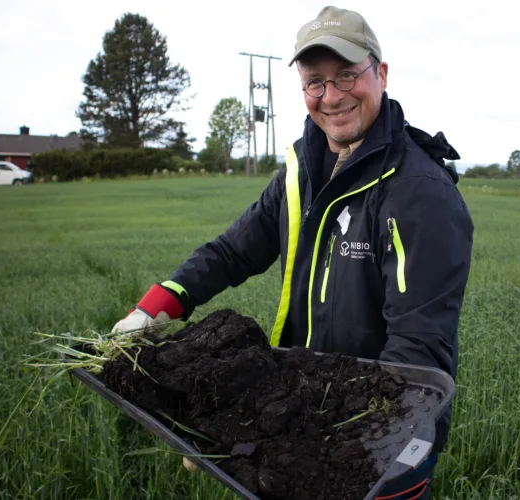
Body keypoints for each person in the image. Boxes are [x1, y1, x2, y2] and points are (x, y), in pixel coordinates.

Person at [113, 6, 473, 499]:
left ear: (381, 74)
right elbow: (232, 251)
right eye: (315, 82)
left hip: (386, 439)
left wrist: (339, 448)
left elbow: (417, 350)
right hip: (303, 411)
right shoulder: (301, 174)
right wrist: (156, 308)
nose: (332, 96)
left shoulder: (419, 193)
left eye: (347, 75)